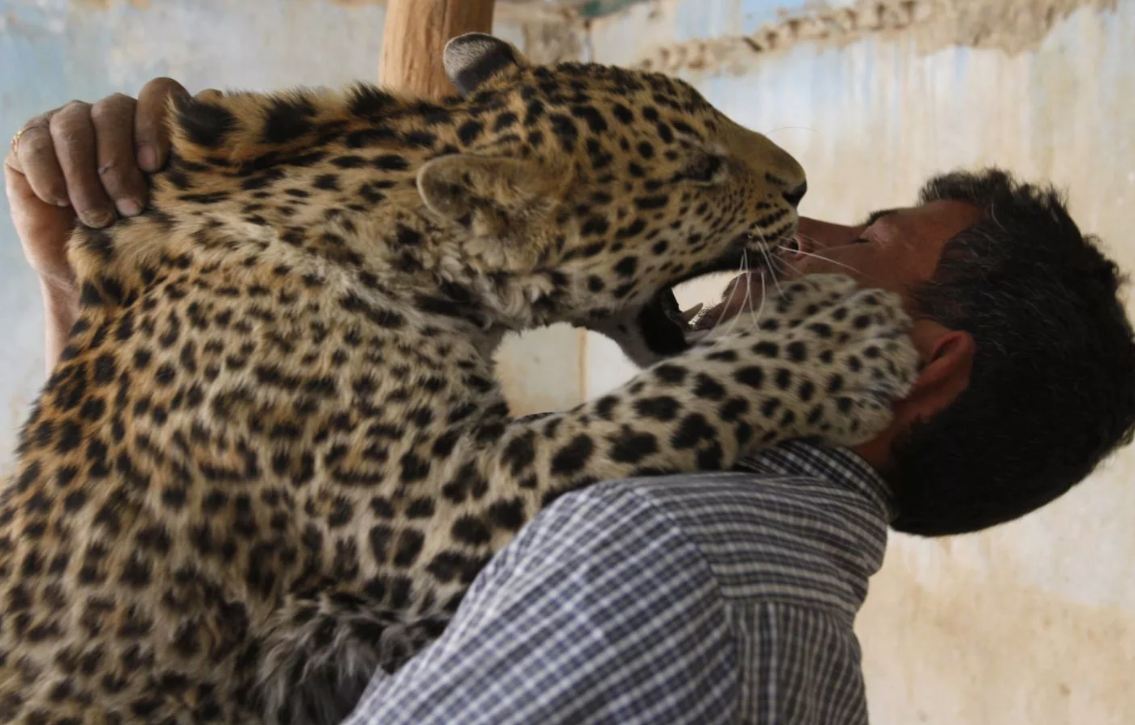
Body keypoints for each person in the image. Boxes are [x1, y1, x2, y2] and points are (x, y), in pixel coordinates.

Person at [6, 80, 1135, 725]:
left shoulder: (657, 558)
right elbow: (247, 568)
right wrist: (86, 305)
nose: (802, 223)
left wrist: (763, 368)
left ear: (924, 364)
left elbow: (423, 532)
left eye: (867, 238)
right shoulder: (776, 608)